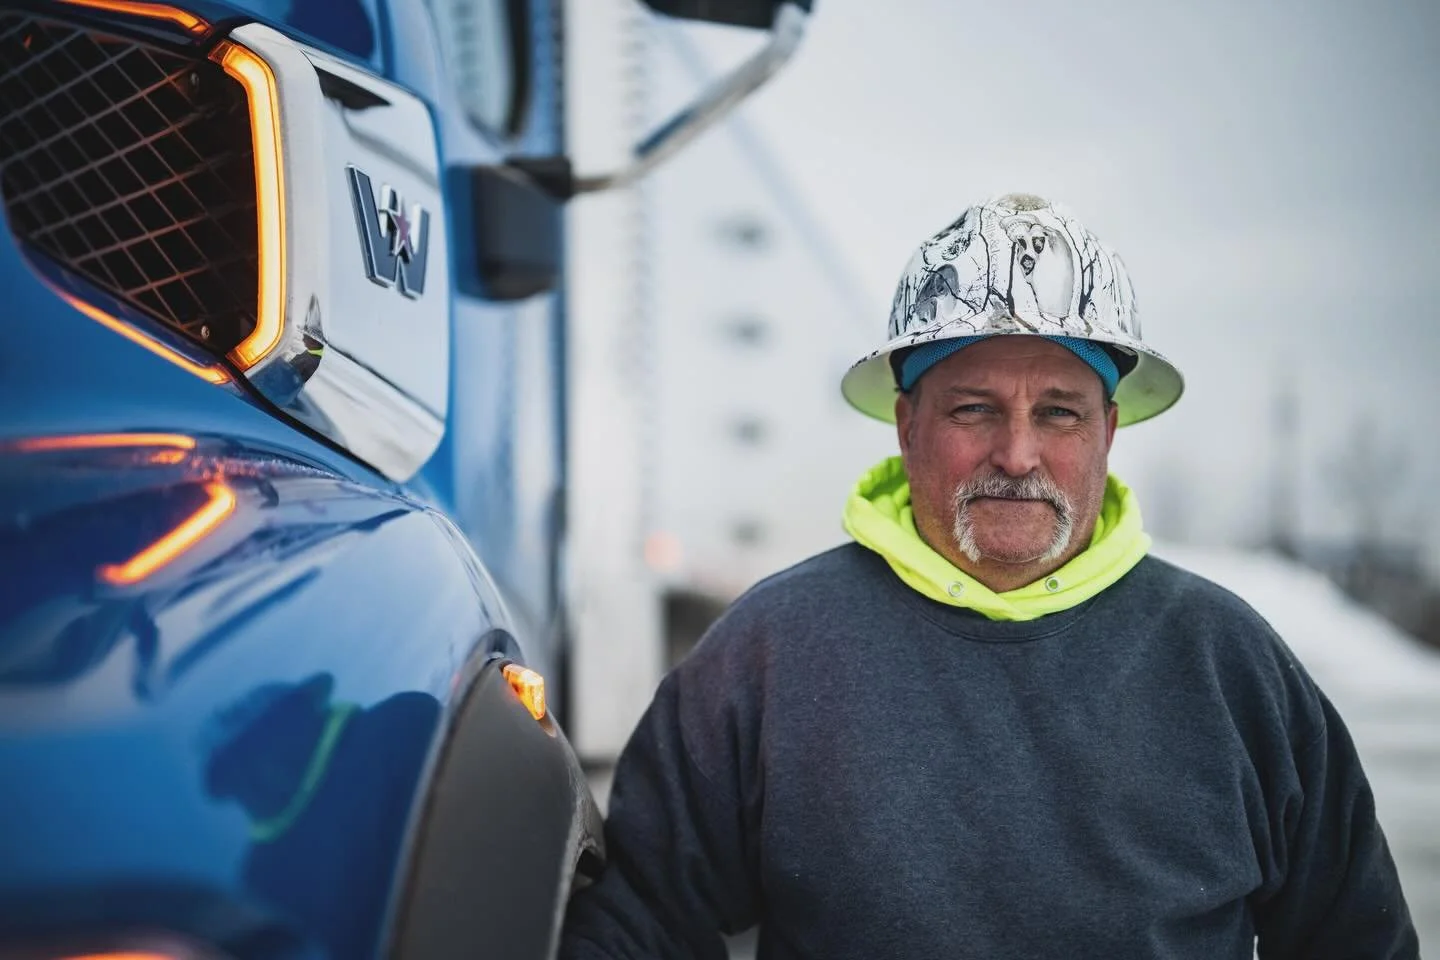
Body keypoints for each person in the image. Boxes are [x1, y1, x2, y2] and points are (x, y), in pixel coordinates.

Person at [560, 194, 1418, 959]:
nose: (1016, 453)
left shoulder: (1229, 665)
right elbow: (641, 920)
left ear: (1109, 432)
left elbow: (1357, 939)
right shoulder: (773, 651)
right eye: (974, 408)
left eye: (1059, 412)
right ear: (908, 425)